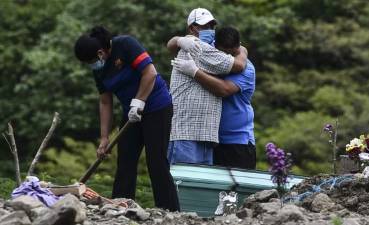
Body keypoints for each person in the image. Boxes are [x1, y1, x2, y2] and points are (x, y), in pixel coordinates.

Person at [74, 26, 179, 211]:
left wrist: (139, 102)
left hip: (157, 107)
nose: (91, 65)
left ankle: (168, 210)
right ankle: (120, 208)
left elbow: (150, 73)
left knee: (156, 161)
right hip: (131, 113)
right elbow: (105, 102)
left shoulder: (126, 44)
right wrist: (104, 137)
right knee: (125, 160)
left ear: (100, 52)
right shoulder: (98, 69)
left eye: (90, 61)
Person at [166, 8, 248, 165]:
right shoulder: (197, 47)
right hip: (187, 133)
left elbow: (171, 43)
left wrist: (177, 39)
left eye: (212, 26)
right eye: (205, 27)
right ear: (192, 28)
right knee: (183, 187)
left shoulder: (206, 47)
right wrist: (243, 49)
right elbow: (237, 65)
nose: (210, 30)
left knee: (199, 188)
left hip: (203, 134)